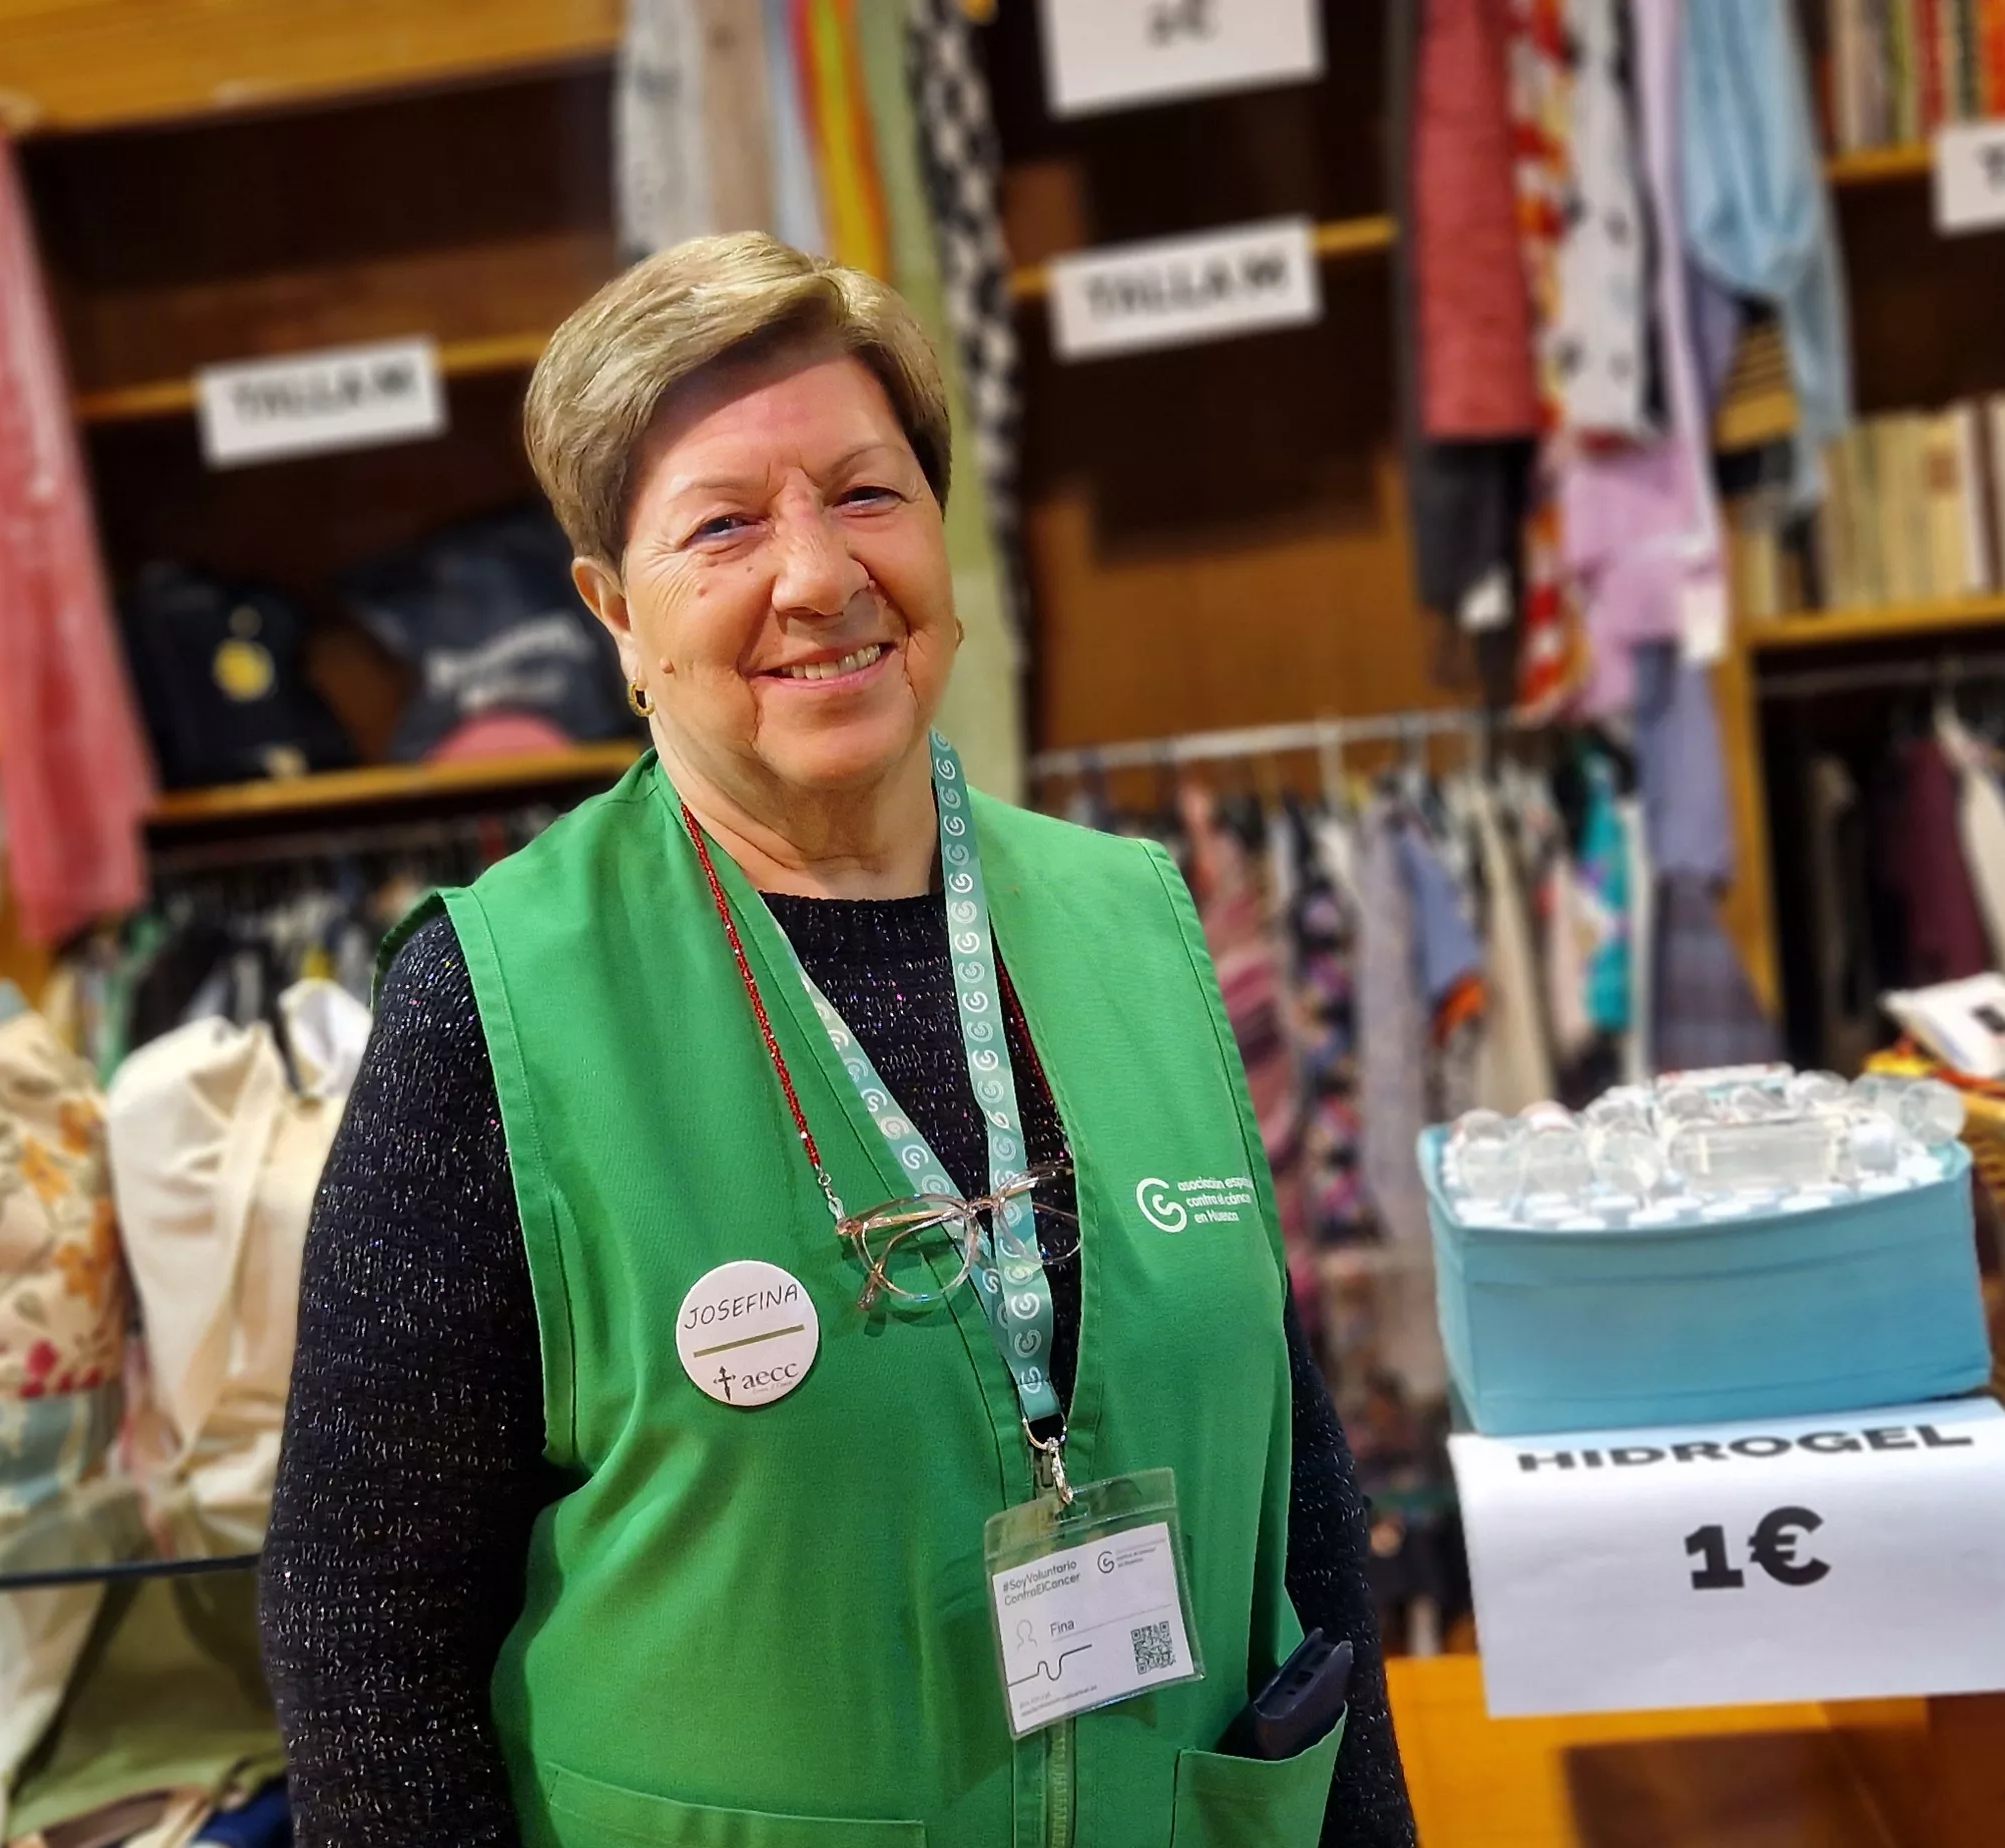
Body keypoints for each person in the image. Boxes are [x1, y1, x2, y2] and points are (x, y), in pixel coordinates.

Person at [264, 232, 1414, 1846]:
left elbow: (1300, 1506)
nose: (818, 576)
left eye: (868, 494)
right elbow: (365, 1651)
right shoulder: (496, 1006)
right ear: (615, 612)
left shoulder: (1140, 925)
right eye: (723, 524)